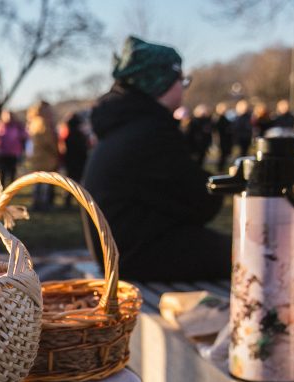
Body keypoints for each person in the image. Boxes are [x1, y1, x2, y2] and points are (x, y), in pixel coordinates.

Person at [83, 35, 228, 282]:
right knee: (249, 255)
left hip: (119, 250)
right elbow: (200, 202)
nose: (183, 86)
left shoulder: (125, 124)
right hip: (135, 256)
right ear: (160, 83)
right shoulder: (150, 131)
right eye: (180, 80)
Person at [26, 100, 59, 210]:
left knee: (38, 180)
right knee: (44, 181)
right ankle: (42, 203)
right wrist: (55, 151)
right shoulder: (42, 122)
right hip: (45, 156)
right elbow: (47, 141)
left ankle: (38, 202)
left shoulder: (33, 121)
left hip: (38, 156)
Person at [0, 110, 28, 186]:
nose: (8, 117)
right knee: (2, 173)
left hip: (13, 153)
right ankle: (1, 191)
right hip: (2, 153)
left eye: (10, 115)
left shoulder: (17, 126)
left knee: (12, 173)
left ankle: (11, 190)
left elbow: (25, 135)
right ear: (2, 116)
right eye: (6, 115)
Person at [61, 112, 88, 186]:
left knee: (72, 181)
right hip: (77, 161)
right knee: (76, 181)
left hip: (70, 161)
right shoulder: (76, 135)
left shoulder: (68, 134)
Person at [213, 102, 233, 172]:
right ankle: (220, 168)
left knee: (225, 155)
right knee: (222, 155)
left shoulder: (224, 118)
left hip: (225, 139)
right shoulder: (218, 118)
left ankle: (221, 168)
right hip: (222, 139)